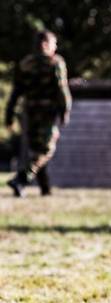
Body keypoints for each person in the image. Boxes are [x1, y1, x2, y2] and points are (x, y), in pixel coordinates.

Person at [5, 30, 71, 197]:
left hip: (29, 112)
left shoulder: (25, 64)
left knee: (36, 150)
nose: (55, 47)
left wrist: (9, 114)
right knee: (46, 150)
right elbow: (62, 90)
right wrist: (65, 110)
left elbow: (16, 91)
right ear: (46, 44)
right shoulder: (55, 63)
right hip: (47, 113)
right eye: (54, 44)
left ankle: (45, 189)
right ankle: (21, 179)